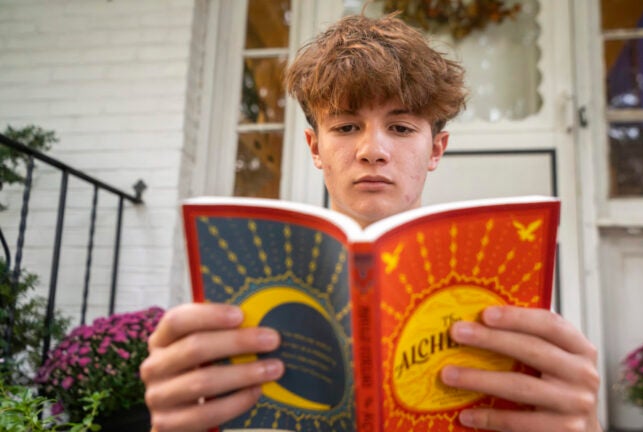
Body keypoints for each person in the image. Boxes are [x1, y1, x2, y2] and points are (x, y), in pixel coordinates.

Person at [140, 12, 602, 432]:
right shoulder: (236, 309)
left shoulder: (513, 311)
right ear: (315, 148)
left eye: (400, 128)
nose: (372, 150)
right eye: (345, 127)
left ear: (435, 149)